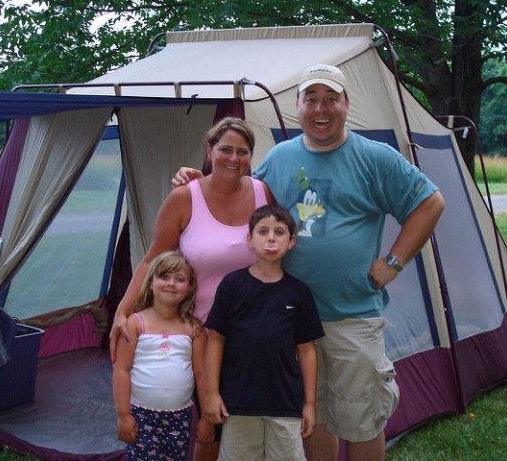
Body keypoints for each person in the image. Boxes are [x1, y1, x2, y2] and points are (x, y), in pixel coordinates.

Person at [172, 64, 446, 461]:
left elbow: (430, 202)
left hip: (351, 316)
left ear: (346, 104)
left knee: (363, 419)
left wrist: (393, 262)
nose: (321, 109)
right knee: (311, 418)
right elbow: (240, 197)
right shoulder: (281, 158)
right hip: (288, 321)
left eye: (331, 99)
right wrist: (198, 181)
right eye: (311, 99)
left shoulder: (375, 158)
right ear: (297, 106)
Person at [110, 117, 273, 460]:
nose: (233, 158)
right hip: (200, 334)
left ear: (251, 157)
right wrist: (123, 312)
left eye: (242, 152)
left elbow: (277, 250)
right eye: (225, 149)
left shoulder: (262, 193)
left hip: (252, 333)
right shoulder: (184, 198)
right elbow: (152, 261)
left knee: (247, 424)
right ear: (209, 150)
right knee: (208, 426)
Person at [204, 204, 324, 461]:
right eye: (263, 231)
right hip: (238, 403)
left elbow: (306, 350)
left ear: (291, 242)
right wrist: (212, 393)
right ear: (250, 239)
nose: (271, 237)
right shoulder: (232, 286)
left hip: (285, 403)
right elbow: (215, 340)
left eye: (279, 232)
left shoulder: (299, 293)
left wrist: (309, 404)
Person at [112, 250, 206, 461]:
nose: (171, 283)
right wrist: (123, 415)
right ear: (151, 282)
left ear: (189, 288)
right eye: (164, 276)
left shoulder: (194, 329)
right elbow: (121, 370)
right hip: (141, 415)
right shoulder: (135, 324)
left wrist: (206, 417)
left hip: (180, 416)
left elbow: (201, 374)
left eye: (179, 279)